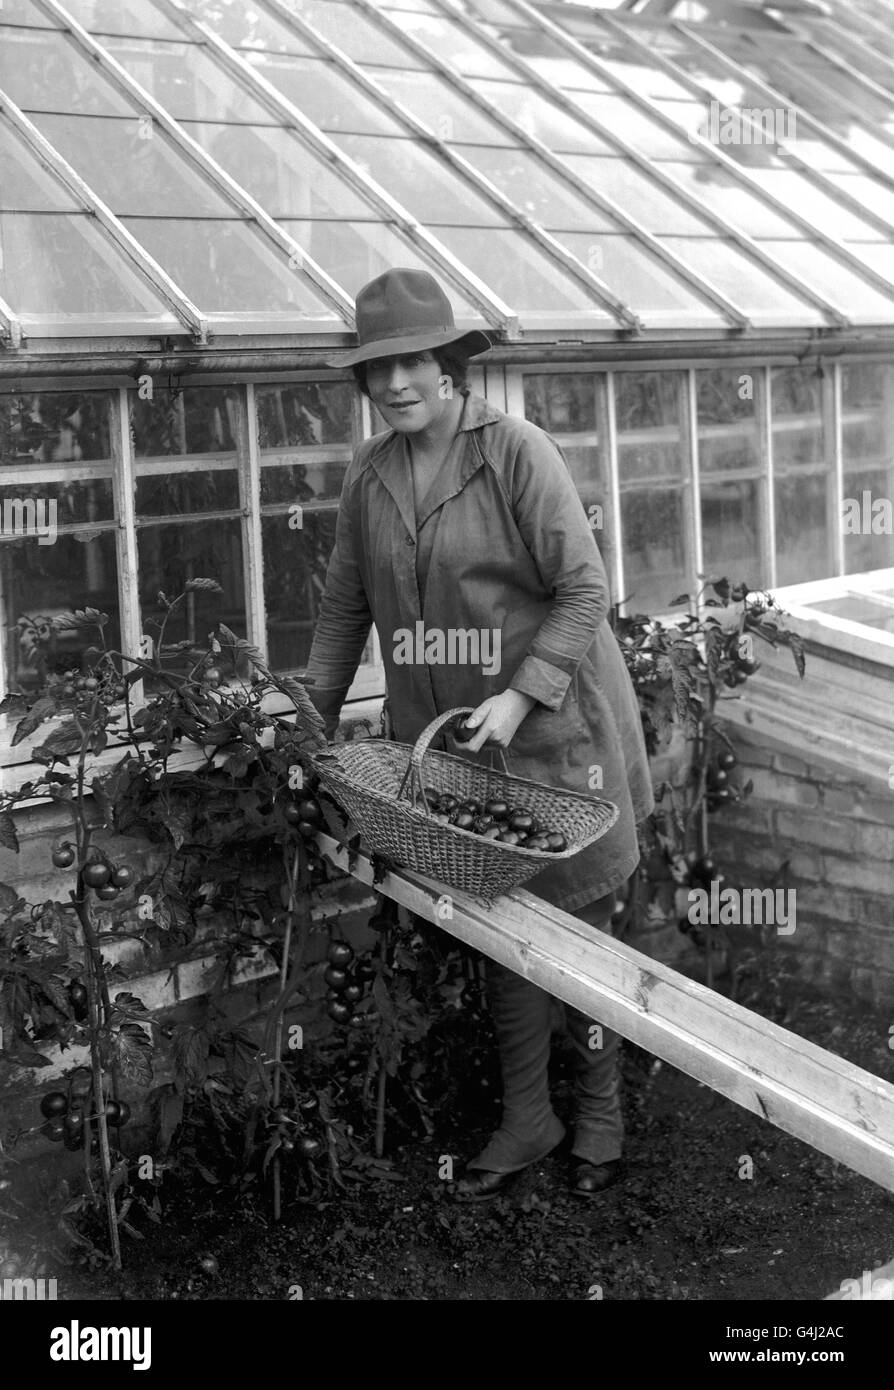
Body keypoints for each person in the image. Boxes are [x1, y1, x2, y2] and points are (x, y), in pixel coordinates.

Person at [304, 268, 654, 1200]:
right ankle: (528, 1119)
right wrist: (313, 722)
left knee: (580, 921)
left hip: (552, 734)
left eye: (413, 360)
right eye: (376, 369)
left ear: (449, 363)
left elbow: (582, 590)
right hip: (452, 749)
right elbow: (344, 610)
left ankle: (602, 1115)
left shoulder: (515, 451)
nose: (394, 384)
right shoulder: (370, 477)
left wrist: (522, 694)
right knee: (500, 925)